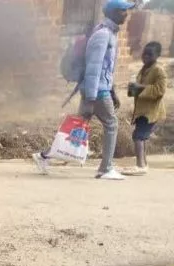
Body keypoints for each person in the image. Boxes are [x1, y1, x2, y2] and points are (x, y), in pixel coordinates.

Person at [33, 0, 136, 180]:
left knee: (77, 127)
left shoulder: (110, 33)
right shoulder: (103, 35)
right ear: (112, 13)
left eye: (126, 11)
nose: (126, 14)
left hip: (100, 89)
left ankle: (43, 156)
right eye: (122, 11)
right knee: (112, 124)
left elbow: (106, 68)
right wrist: (91, 96)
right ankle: (105, 168)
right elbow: (93, 69)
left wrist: (113, 92)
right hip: (97, 91)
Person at [125, 41, 167, 176]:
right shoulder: (143, 69)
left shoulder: (158, 70)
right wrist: (132, 89)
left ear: (157, 55)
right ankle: (144, 164)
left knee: (138, 136)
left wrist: (140, 88)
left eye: (150, 54)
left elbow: (160, 90)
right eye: (145, 53)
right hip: (142, 110)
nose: (146, 56)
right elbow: (136, 88)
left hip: (150, 111)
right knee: (141, 136)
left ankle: (140, 165)